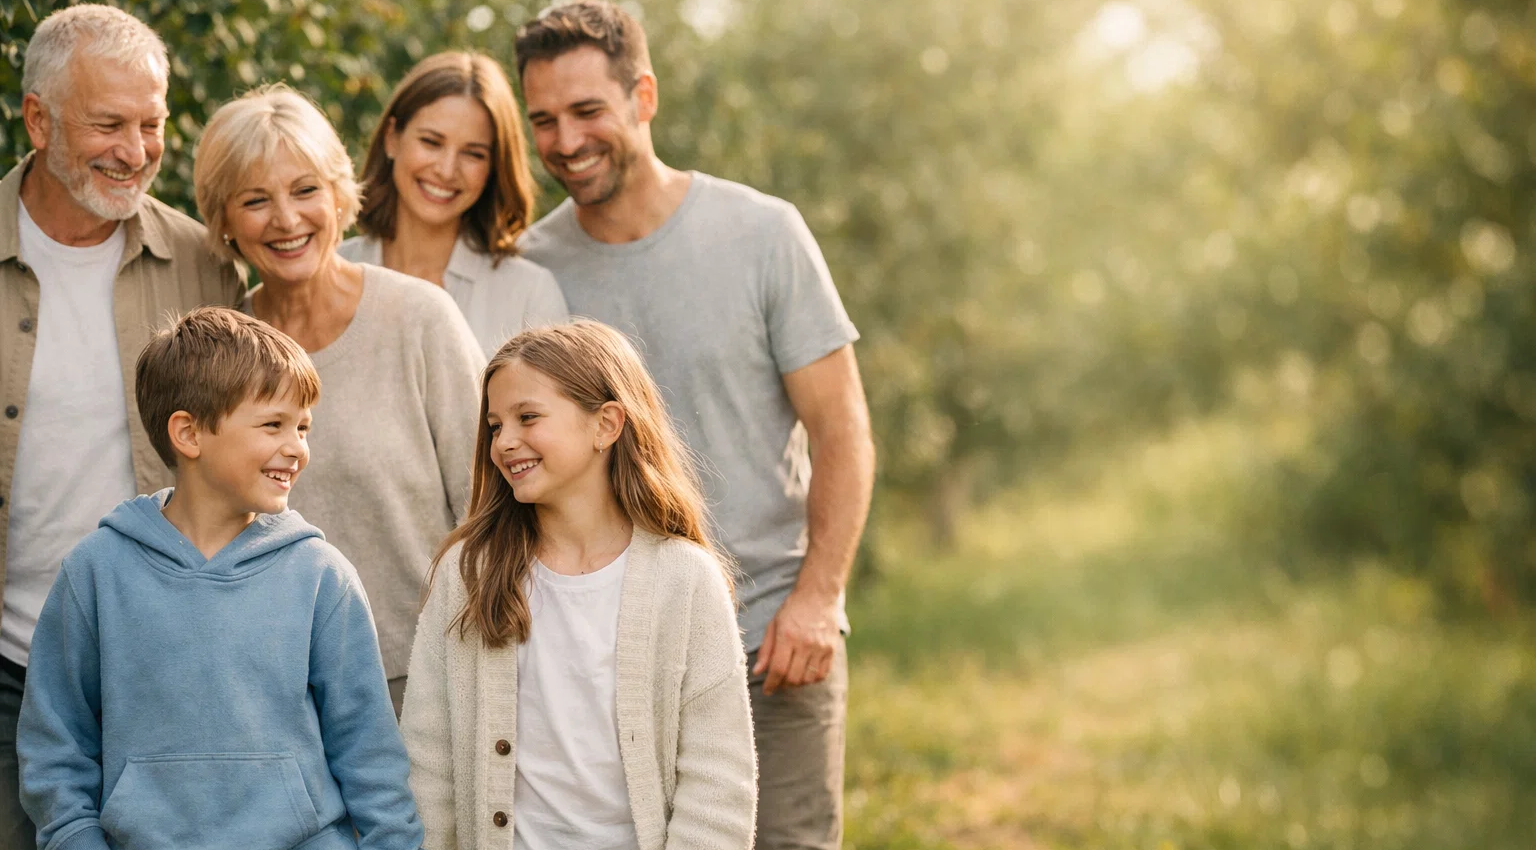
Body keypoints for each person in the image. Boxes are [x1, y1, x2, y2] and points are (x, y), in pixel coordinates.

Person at [515, 4, 876, 847]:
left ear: (643, 96)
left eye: (587, 111)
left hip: (769, 642)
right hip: (605, 656)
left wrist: (818, 598)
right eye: (543, 120)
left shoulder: (762, 234)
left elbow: (843, 432)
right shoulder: (531, 270)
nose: (565, 141)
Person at [16, 307, 423, 850]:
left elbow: (369, 751)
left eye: (303, 427)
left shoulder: (322, 576)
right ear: (189, 434)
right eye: (273, 424)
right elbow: (55, 748)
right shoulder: (95, 573)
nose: (297, 447)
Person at [0, 7, 243, 847]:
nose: (135, 151)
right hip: (10, 665)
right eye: (109, 124)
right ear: (38, 119)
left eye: (152, 124)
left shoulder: (203, 263)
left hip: (163, 663)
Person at [401, 321, 756, 850]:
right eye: (495, 426)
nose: (505, 442)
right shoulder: (468, 573)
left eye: (528, 417)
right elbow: (428, 763)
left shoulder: (685, 581)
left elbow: (718, 784)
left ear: (606, 424)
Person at [194, 83, 484, 715]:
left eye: (305, 190)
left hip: (426, 683)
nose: (287, 219)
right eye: (255, 200)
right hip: (276, 695)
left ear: (339, 195)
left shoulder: (419, 319)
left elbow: (491, 502)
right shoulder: (220, 354)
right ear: (222, 218)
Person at [341, 51, 567, 357]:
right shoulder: (329, 270)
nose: (447, 170)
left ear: (494, 167)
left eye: (473, 153)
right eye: (431, 142)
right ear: (392, 138)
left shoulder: (529, 293)